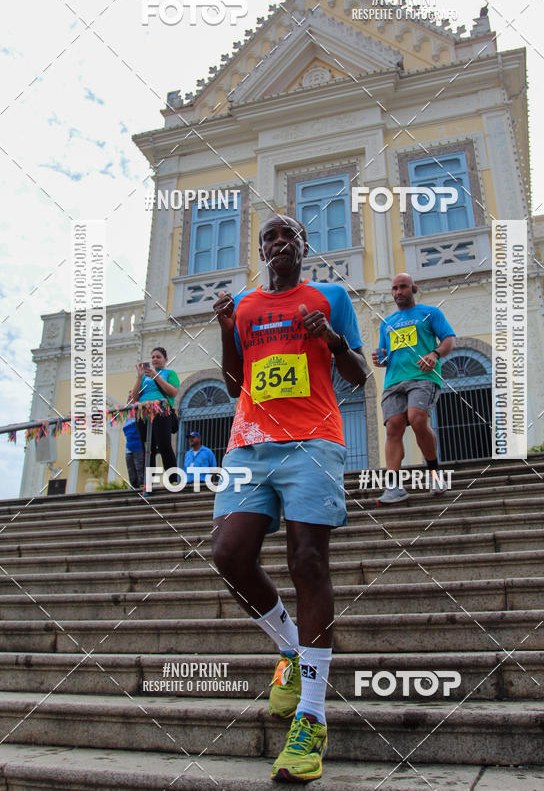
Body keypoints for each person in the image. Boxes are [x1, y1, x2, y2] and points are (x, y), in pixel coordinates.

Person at [212, 214, 367, 783]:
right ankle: (291, 650)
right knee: (229, 554)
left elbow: (357, 377)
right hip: (249, 444)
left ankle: (311, 717)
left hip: (314, 440)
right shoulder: (247, 306)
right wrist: (228, 328)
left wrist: (328, 338)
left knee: (307, 562)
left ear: (304, 246)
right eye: (271, 237)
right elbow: (235, 384)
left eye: (289, 235)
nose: (280, 241)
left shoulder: (328, 297)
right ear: (261, 250)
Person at [372, 272, 456, 504]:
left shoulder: (430, 313)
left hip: (423, 376)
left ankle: (434, 473)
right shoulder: (387, 323)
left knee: (417, 418)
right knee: (393, 429)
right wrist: (380, 358)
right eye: (395, 289)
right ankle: (394, 487)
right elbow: (385, 354)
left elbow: (449, 340)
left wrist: (434, 353)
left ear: (414, 289)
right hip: (393, 381)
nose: (398, 292)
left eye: (403, 287)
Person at [131, 347, 180, 490]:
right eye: (153, 357)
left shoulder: (169, 373)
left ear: (165, 359)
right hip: (143, 413)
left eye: (158, 357)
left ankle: (173, 480)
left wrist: (156, 376)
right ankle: (149, 482)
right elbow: (135, 397)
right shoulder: (144, 377)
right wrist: (140, 377)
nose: (155, 360)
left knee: (165, 446)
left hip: (161, 411)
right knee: (147, 448)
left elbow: (173, 391)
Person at [123, 391, 144, 489]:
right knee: (131, 471)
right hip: (129, 448)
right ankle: (134, 487)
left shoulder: (140, 413)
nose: (130, 400)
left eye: (132, 397)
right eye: (129, 397)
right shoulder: (127, 416)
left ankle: (141, 488)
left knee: (139, 469)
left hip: (138, 446)